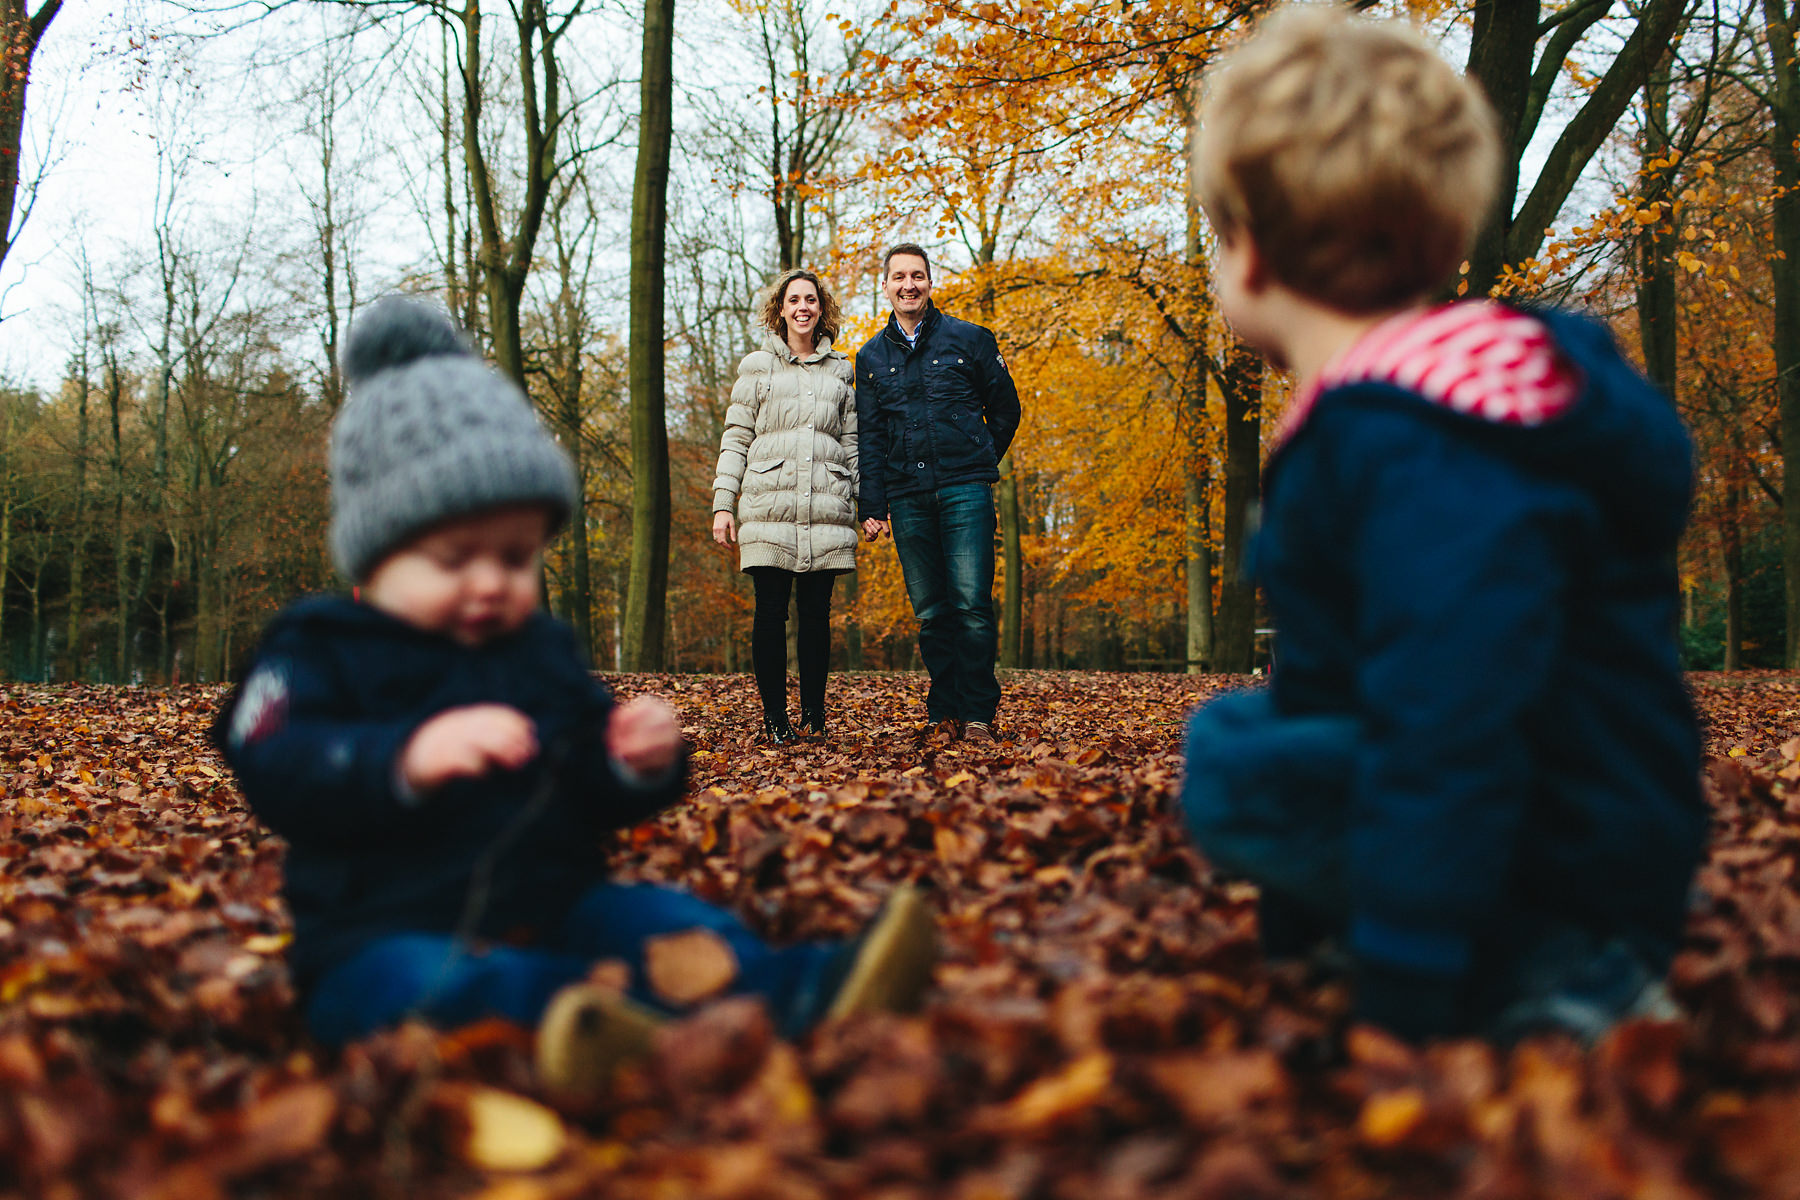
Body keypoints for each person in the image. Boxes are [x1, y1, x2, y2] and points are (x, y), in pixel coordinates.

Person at [215, 296, 937, 1096]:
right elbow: (271, 755)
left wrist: (631, 761)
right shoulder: (319, 647)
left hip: (551, 906)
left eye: (518, 559)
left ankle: (803, 989)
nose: (492, 583)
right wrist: (405, 759)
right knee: (427, 986)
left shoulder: (532, 651)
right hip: (379, 933)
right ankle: (585, 1039)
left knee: (665, 923)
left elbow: (589, 773)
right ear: (376, 557)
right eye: (458, 560)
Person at [1179, 6, 1705, 1045]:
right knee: (1247, 734)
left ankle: (1550, 972)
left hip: (1563, 845)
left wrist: (1406, 976)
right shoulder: (1463, 394)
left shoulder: (1410, 446)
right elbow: (1352, 681)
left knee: (1234, 767)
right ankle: (1486, 934)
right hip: (1598, 808)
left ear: (1250, 255)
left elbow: (1453, 705)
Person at [855, 244, 1021, 745]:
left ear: (930, 282)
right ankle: (942, 709)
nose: (909, 284)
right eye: (899, 276)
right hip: (907, 497)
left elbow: (1006, 409)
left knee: (971, 605)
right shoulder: (869, 357)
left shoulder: (970, 340)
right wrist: (874, 505)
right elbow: (870, 437)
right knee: (931, 613)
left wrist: (978, 457)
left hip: (965, 491)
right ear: (885, 286)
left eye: (918, 275)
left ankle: (977, 714)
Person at [711, 269, 858, 745]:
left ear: (821, 309)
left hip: (824, 505)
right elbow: (736, 437)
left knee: (817, 614)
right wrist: (723, 504)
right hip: (767, 504)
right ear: (780, 310)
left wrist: (867, 502)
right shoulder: (757, 367)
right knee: (770, 613)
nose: (802, 307)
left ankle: (814, 714)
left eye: (810, 299)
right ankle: (775, 718)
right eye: (793, 299)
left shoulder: (841, 370)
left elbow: (852, 443)